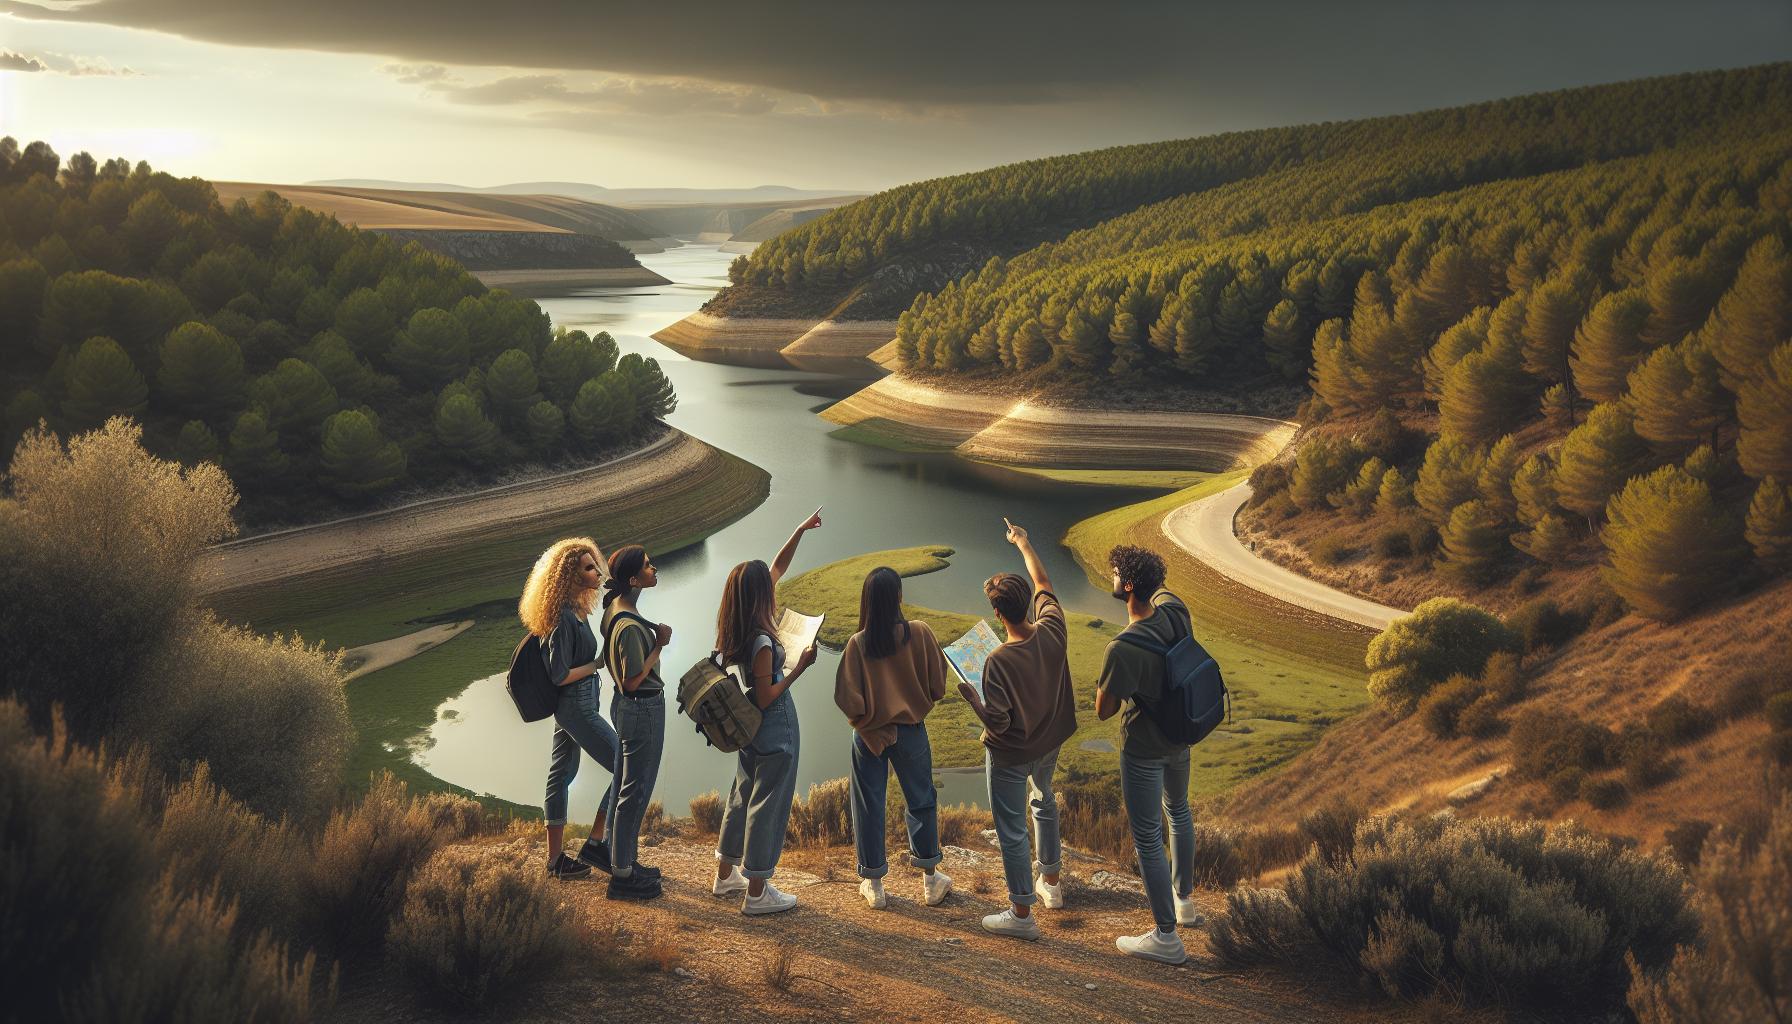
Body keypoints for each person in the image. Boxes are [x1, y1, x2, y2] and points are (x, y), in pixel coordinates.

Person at [958, 518, 1077, 940]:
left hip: (1010, 755)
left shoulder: (997, 662)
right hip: (1051, 741)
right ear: (1029, 603)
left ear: (996, 613)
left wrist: (974, 700)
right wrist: (1023, 543)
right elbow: (1043, 578)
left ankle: (1021, 914)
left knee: (1011, 828)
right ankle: (1052, 883)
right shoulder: (1053, 626)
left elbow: (1000, 721)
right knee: (1044, 800)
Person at [712, 509, 823, 914]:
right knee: (768, 802)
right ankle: (758, 890)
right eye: (769, 588)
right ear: (760, 595)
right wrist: (798, 668)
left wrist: (798, 530)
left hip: (749, 731)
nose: (774, 588)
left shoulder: (738, 622)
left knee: (742, 794)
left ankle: (726, 875)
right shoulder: (761, 641)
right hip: (773, 726)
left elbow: (776, 567)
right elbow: (765, 697)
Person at [1095, 544, 1200, 965]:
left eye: (1115, 571)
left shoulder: (1122, 648)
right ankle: (1185, 904)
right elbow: (1164, 593)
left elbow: (1105, 711)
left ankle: (1166, 937)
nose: (1111, 576)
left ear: (1129, 586)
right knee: (1179, 810)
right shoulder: (1176, 612)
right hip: (1182, 738)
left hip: (1143, 750)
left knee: (1147, 839)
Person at [834, 566, 953, 910]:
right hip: (911, 732)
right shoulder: (921, 633)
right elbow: (938, 686)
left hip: (869, 736)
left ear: (866, 601)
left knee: (869, 804)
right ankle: (930, 880)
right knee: (921, 800)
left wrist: (868, 722)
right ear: (899, 596)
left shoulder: (858, 644)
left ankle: (874, 885)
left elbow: (846, 698)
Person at [518, 537, 620, 880]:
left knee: (561, 775)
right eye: (589, 568)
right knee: (625, 765)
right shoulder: (563, 618)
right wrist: (596, 665)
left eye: (595, 565)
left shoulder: (578, 609)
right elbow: (559, 675)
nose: (596, 572)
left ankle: (555, 862)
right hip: (576, 708)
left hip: (577, 706)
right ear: (570, 576)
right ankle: (596, 841)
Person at [598, 545, 672, 901]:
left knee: (622, 784)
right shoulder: (628, 625)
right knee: (634, 791)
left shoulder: (616, 608)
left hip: (626, 708)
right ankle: (623, 877)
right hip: (641, 708)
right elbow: (631, 680)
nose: (653, 567)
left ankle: (621, 860)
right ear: (632, 579)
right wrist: (659, 646)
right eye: (646, 566)